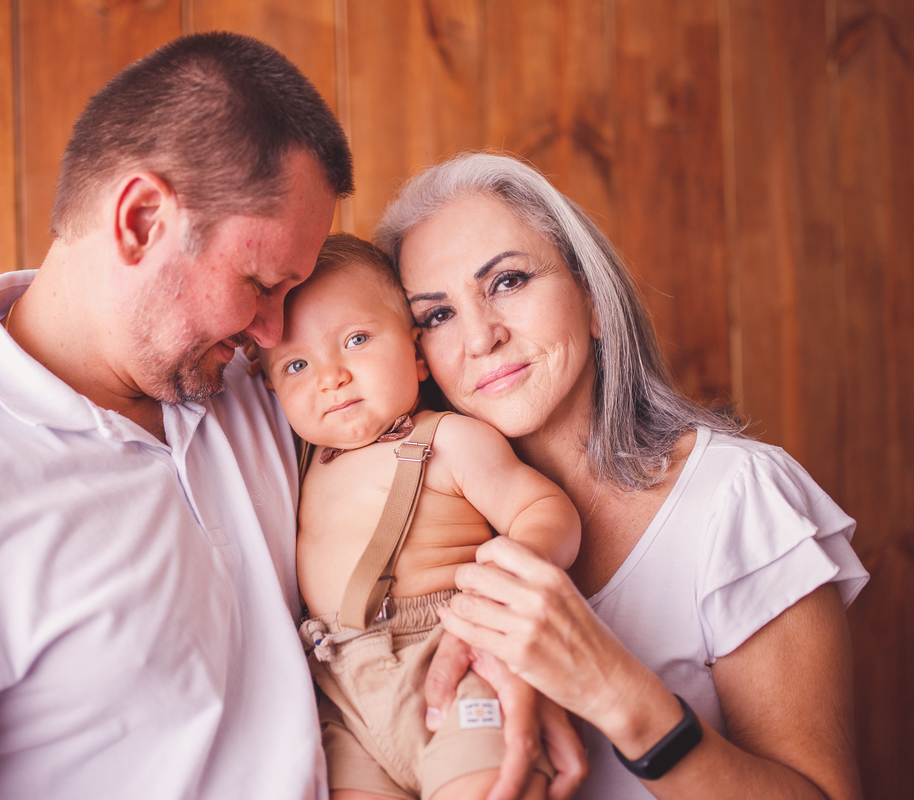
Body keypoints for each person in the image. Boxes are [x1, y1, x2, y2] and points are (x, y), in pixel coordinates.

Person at [0, 36, 581, 800]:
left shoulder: (265, 392)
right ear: (142, 220)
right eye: (261, 286)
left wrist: (510, 647)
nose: (274, 334)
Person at [371, 152, 870, 800]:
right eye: (437, 316)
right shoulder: (423, 544)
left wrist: (612, 689)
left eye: (507, 282)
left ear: (593, 300)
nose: (480, 337)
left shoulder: (738, 498)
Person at [257, 234, 581, 800]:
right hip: (339, 688)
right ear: (271, 389)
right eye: (297, 364)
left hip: (449, 655)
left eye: (356, 339)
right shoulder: (299, 462)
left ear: (416, 353)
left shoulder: (450, 440)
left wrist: (504, 584)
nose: (330, 377)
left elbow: (544, 508)